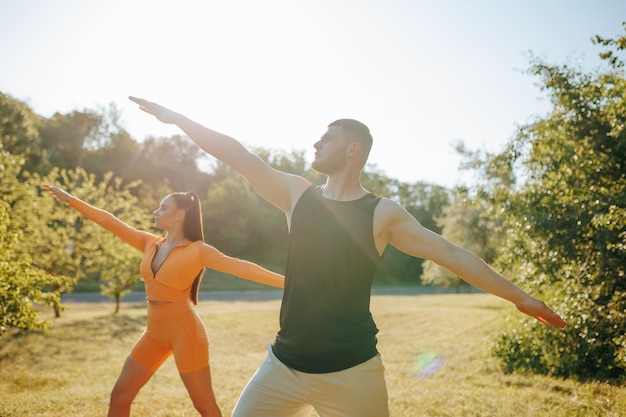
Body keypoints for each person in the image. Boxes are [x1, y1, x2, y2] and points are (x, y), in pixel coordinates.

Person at [129, 96, 567, 417]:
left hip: (352, 371)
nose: (316, 144)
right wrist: (178, 119)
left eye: (327, 138)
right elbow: (239, 155)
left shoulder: (381, 213)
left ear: (352, 149)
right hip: (283, 364)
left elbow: (451, 253)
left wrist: (520, 297)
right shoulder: (297, 195)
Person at [42, 184, 284, 417]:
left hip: (185, 333)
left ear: (180, 215)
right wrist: (70, 199)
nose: (156, 212)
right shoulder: (150, 243)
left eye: (163, 208)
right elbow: (110, 222)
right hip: (153, 333)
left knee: (204, 406)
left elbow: (244, 269)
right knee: (120, 395)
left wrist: (288, 282)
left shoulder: (198, 250)